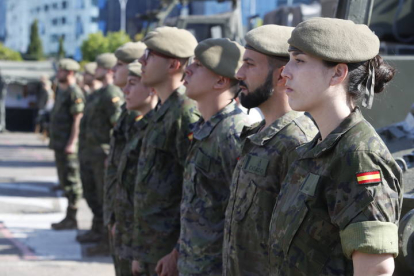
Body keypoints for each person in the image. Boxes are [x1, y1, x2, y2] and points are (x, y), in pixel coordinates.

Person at [268, 17, 403, 275]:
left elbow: (375, 270)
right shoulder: (316, 150)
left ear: (338, 73)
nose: (285, 72)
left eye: (299, 60)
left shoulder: (359, 156)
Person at [222, 24, 318, 276]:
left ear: (281, 75)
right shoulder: (257, 134)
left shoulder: (297, 141)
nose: (239, 74)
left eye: (250, 64)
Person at [172, 38, 249, 276]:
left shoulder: (232, 132)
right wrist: (176, 253)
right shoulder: (205, 127)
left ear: (220, 80)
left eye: (199, 65)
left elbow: (242, 217)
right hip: (192, 264)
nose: (188, 69)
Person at [131, 26, 199, 276]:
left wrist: (178, 250)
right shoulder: (163, 110)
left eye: (149, 54)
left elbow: (194, 189)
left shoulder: (185, 112)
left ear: (173, 65)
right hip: (151, 248)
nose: (141, 60)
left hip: (168, 253)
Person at [103, 42, 146, 269]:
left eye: (119, 65)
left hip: (134, 227)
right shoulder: (128, 110)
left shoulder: (138, 114)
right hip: (121, 217)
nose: (113, 70)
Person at [113, 62, 158, 276]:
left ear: (151, 89)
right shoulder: (142, 126)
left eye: (133, 83)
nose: (125, 90)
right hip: (131, 233)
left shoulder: (160, 127)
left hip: (149, 243)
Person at [77, 53, 123, 251]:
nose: (94, 71)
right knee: (92, 194)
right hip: (91, 152)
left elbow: (116, 126)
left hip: (102, 153)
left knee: (104, 198)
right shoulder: (97, 93)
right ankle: (97, 230)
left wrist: (112, 154)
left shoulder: (111, 92)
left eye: (98, 68)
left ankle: (106, 240)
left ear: (108, 70)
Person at [49, 59, 85, 230]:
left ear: (70, 72)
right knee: (64, 180)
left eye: (61, 71)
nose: (58, 73)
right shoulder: (62, 91)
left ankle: (72, 217)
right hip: (59, 144)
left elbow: (78, 119)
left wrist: (72, 142)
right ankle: (69, 216)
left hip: (68, 145)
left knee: (72, 181)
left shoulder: (74, 92)